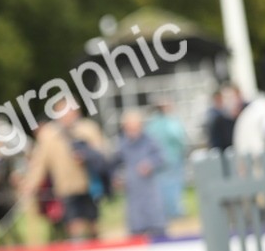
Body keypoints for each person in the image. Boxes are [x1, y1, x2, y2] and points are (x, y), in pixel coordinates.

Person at [22, 98, 107, 241]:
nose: (68, 115)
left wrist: (86, 156)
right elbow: (39, 163)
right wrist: (31, 184)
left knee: (93, 224)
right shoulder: (48, 134)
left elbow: (102, 154)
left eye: (71, 110)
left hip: (89, 185)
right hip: (65, 187)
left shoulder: (88, 129)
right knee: (74, 225)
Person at [112, 111, 166, 238]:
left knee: (156, 225)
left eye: (135, 127)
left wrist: (150, 164)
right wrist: (117, 178)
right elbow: (114, 164)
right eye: (129, 128)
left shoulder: (150, 140)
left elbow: (161, 157)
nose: (132, 131)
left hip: (149, 189)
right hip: (132, 190)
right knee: (136, 227)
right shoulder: (122, 144)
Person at [144, 99, 188, 220]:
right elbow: (179, 138)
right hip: (173, 158)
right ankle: (175, 211)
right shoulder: (171, 122)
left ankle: (162, 211)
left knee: (160, 186)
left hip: (157, 161)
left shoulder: (151, 124)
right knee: (174, 185)